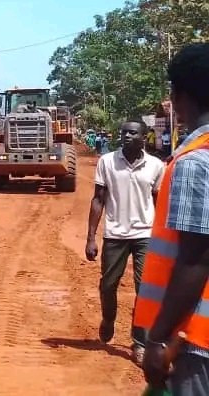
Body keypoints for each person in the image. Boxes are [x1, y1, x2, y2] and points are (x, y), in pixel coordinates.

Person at [134, 43, 209, 394]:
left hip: (197, 340)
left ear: (179, 96)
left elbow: (195, 259)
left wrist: (158, 339)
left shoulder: (194, 162)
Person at [86, 119, 166, 364]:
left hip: (145, 235)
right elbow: (98, 200)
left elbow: (159, 202)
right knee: (108, 285)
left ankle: (139, 342)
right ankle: (108, 318)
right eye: (123, 133)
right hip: (115, 234)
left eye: (132, 133)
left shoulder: (155, 166)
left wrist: (164, 240)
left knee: (144, 289)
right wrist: (91, 237)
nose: (126, 136)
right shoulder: (107, 162)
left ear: (144, 137)